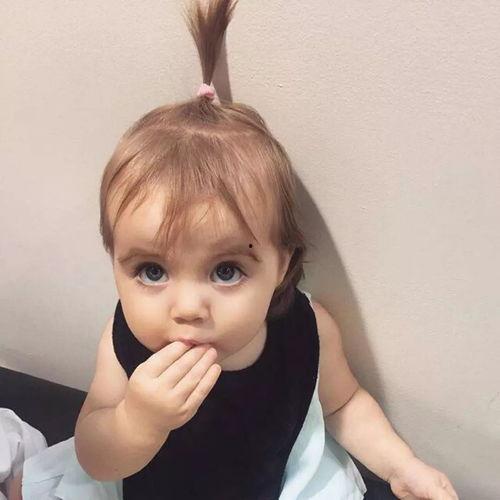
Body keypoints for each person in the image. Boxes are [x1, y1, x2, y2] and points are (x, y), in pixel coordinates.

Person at [11, 0, 459, 499]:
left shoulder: (306, 329)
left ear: (281, 265)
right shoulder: (124, 342)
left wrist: (401, 465)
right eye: (152, 271)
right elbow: (94, 455)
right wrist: (136, 421)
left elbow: (343, 404)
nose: (187, 308)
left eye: (226, 270)